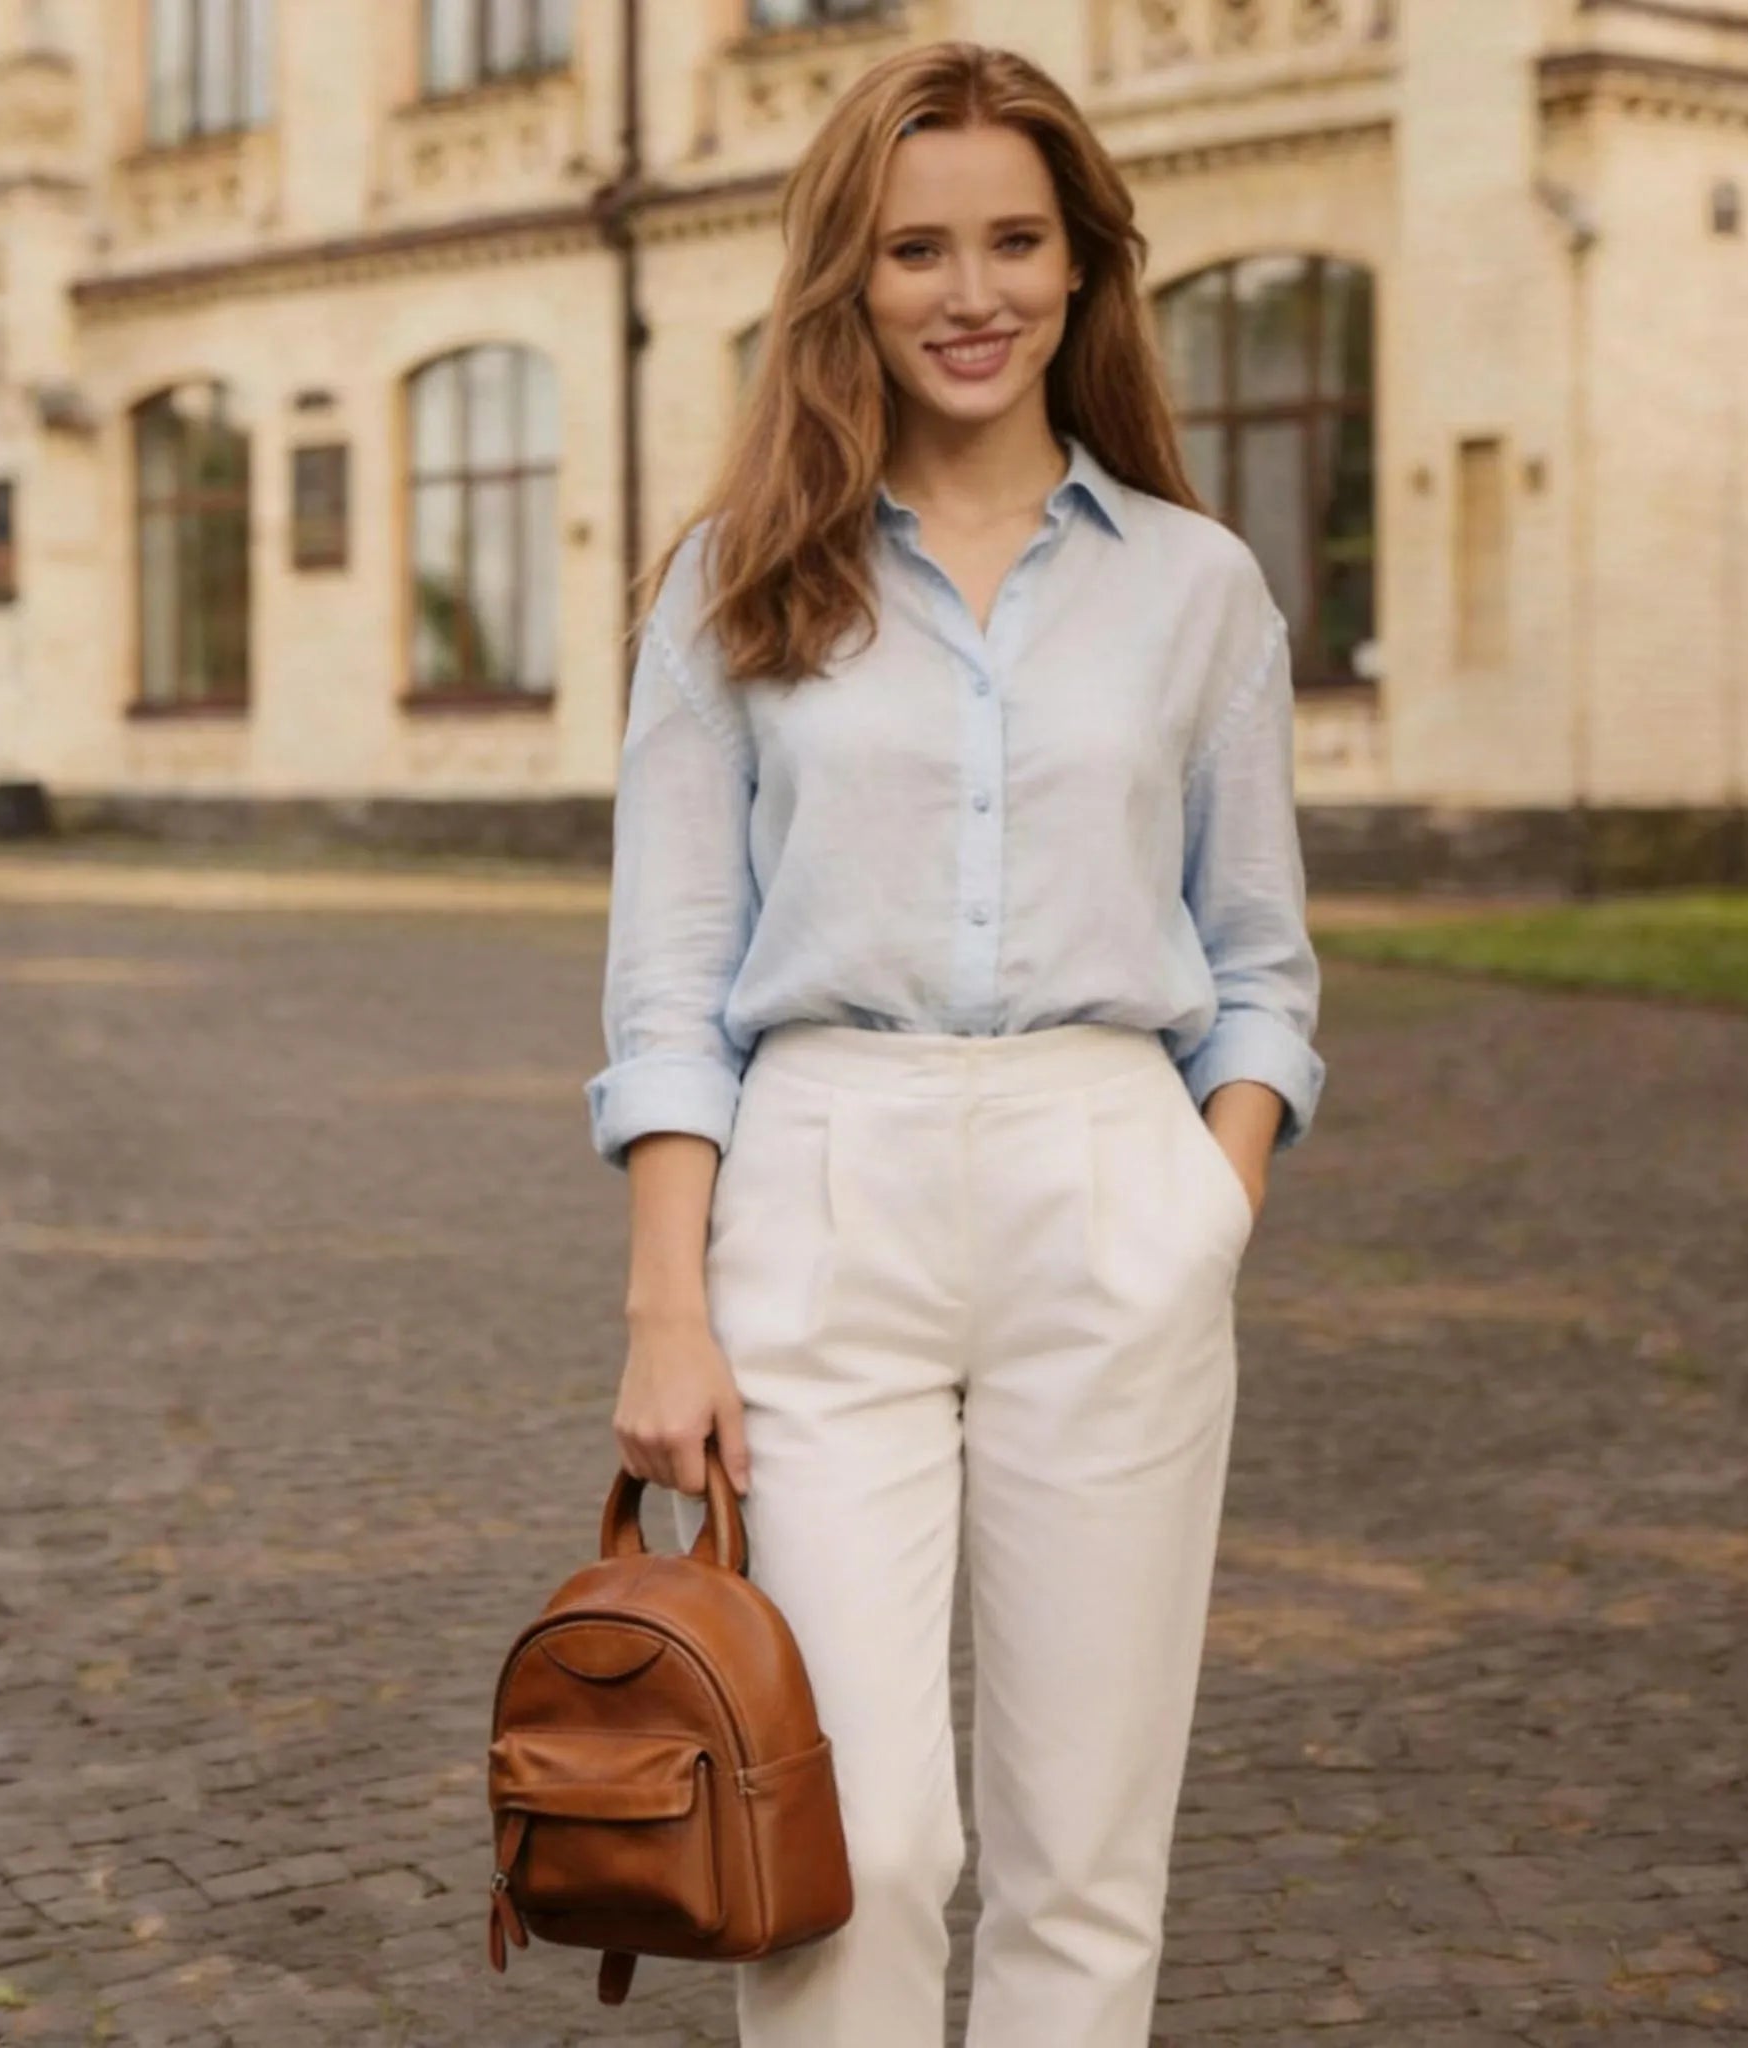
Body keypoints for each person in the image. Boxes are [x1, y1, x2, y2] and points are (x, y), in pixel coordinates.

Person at [584, 37, 1325, 2048]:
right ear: (850, 275)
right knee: (862, 1840)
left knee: (1085, 1854)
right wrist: (670, 1308)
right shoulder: (734, 586)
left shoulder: (1197, 588)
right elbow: (668, 981)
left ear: (1082, 266)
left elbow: (1258, 962)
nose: (969, 289)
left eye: (1014, 239)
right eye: (917, 247)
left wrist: (1208, 1192)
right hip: (824, 1192)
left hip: (1113, 1190)